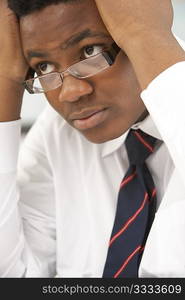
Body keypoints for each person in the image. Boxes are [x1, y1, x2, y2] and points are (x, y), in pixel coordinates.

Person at [0, 0, 185, 278]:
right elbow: (14, 277)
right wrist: (5, 82)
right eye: (44, 66)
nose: (69, 92)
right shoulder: (57, 135)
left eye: (91, 51)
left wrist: (147, 36)